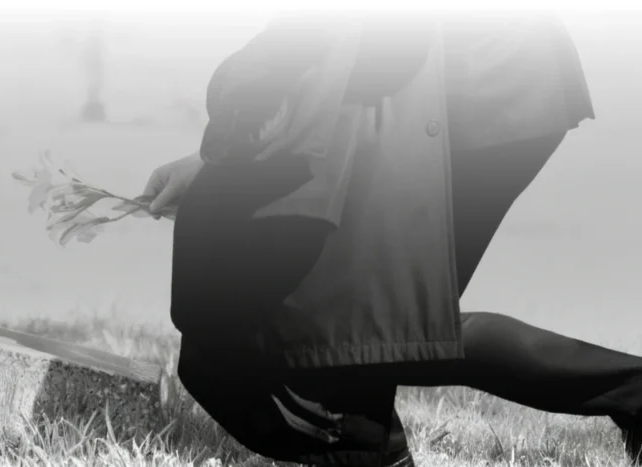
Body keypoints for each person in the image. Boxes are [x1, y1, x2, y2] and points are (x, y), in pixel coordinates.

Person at [139, 12, 642, 467]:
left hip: (476, 88)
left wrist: (223, 158)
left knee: (371, 328)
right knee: (380, 328)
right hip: (451, 84)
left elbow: (343, 42)